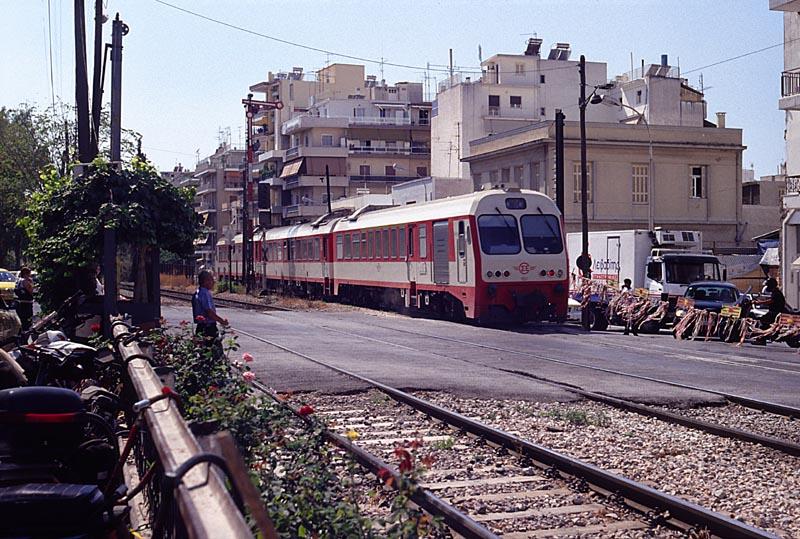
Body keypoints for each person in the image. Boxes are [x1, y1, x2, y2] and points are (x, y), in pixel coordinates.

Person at [192, 270, 228, 356]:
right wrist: (222, 321)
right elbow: (209, 312)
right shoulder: (205, 294)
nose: (214, 282)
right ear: (206, 281)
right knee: (215, 353)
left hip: (200, 327)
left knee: (203, 353)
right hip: (208, 328)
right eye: (212, 279)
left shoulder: (198, 292)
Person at [14, 267, 34, 331]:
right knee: (27, 322)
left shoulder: (18, 280)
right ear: (26, 274)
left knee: (21, 321)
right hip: (26, 303)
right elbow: (31, 291)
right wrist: (31, 283)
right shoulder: (25, 281)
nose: (30, 276)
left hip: (19, 303)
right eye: (29, 274)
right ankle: (25, 336)